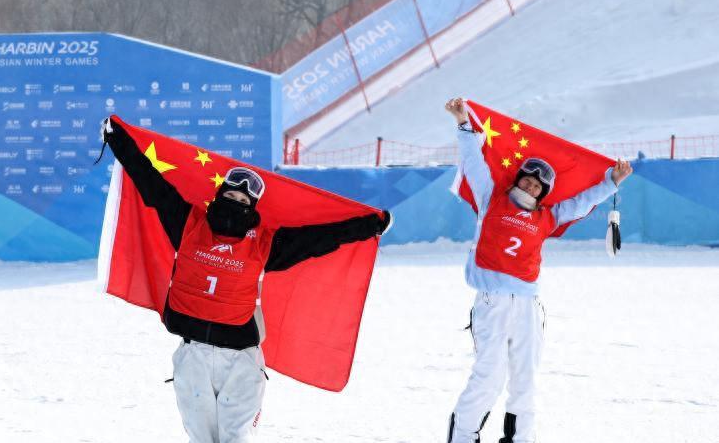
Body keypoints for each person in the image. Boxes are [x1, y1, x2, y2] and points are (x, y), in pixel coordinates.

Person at [101, 118, 392, 443]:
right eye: (231, 196)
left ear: (252, 208)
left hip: (240, 359)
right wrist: (119, 142)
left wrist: (369, 227)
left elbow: (318, 239)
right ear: (218, 195)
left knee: (235, 438)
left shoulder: (264, 244)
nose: (235, 204)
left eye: (244, 202)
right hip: (192, 354)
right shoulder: (187, 224)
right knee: (200, 439)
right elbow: (151, 184)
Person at [443, 98, 632, 443]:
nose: (531, 187)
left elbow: (581, 203)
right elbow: (474, 164)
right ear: (519, 180)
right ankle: (463, 437)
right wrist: (463, 125)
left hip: (529, 305)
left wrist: (611, 182)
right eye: (528, 181)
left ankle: (520, 439)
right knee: (489, 377)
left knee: (525, 381)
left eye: (538, 186)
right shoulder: (491, 200)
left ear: (543, 193)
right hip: (492, 302)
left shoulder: (547, 217)